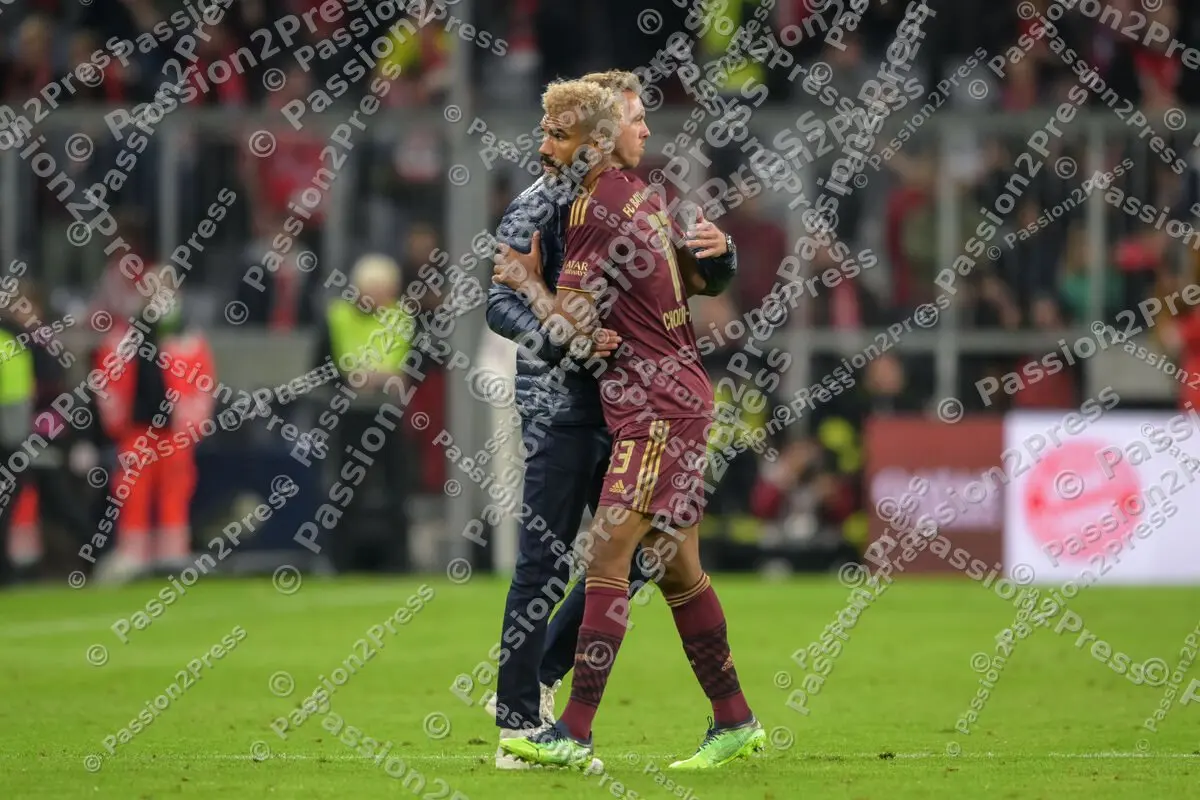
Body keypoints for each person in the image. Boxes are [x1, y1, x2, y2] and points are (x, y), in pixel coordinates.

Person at [494, 79, 762, 770]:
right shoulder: (642, 194)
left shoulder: (588, 208)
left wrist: (528, 282)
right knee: (675, 566)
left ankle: (573, 729)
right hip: (666, 398)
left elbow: (576, 323)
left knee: (610, 558)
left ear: (593, 141)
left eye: (557, 134)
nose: (543, 143)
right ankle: (734, 719)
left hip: (651, 408)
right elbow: (675, 283)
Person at [93, 282, 216, 583]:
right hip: (136, 431)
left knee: (175, 493)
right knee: (132, 493)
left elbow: (203, 386)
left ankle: (171, 558)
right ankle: (133, 559)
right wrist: (115, 423)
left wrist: (191, 425)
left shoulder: (189, 340)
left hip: (173, 433)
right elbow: (106, 383)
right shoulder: (123, 340)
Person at [310, 254, 413, 572]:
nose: (383, 298)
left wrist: (381, 377)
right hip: (348, 415)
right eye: (377, 291)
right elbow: (320, 366)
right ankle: (338, 561)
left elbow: (410, 365)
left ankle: (399, 562)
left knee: (398, 489)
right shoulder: (337, 315)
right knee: (344, 489)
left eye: (387, 291)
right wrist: (354, 377)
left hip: (388, 415)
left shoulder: (402, 316)